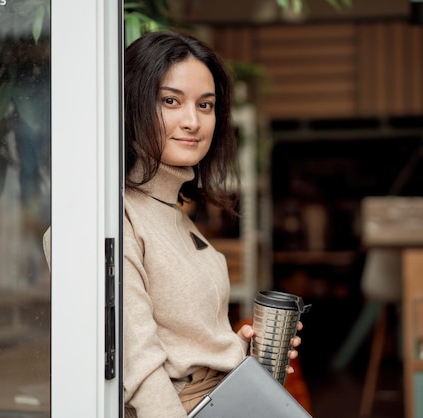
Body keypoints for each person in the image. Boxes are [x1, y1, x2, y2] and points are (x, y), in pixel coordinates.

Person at [123, 31, 302, 417]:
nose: (193, 121)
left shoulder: (174, 215)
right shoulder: (115, 219)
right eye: (170, 101)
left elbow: (183, 342)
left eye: (205, 105)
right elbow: (139, 370)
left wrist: (235, 349)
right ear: (131, 106)